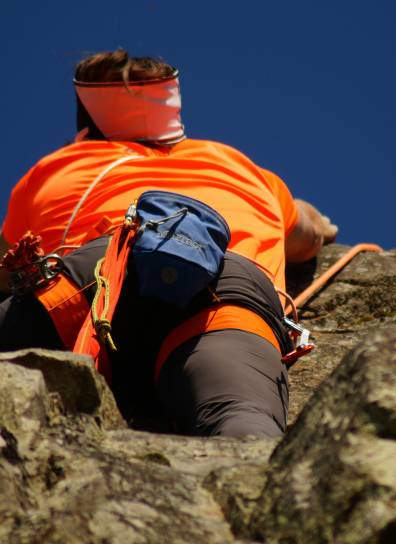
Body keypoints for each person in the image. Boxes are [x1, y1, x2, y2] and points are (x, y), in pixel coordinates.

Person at [0, 49, 337, 437]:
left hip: (101, 275)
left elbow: (8, 264)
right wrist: (318, 222)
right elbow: (309, 234)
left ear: (88, 129)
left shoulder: (59, 168)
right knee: (244, 421)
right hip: (225, 285)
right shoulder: (236, 164)